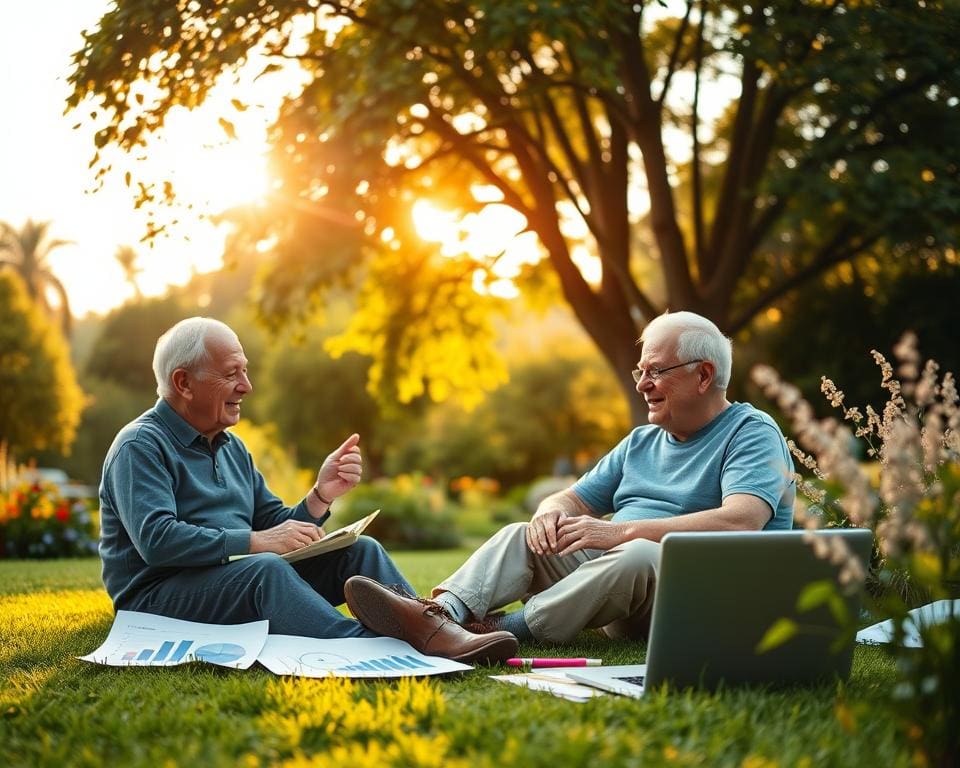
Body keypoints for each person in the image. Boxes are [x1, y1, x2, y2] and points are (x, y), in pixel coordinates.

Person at [344, 311, 796, 646]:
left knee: (639, 552)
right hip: (619, 597)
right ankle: (442, 613)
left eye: (656, 371)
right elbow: (570, 499)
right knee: (521, 534)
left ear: (704, 376)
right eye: (641, 371)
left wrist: (619, 531)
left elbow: (741, 522)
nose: (642, 383)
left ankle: (496, 633)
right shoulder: (641, 442)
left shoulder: (751, 432)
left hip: (697, 604)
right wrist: (549, 514)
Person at [98, 317, 517, 662]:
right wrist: (257, 541)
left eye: (245, 370)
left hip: (226, 582)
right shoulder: (140, 446)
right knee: (265, 570)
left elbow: (277, 528)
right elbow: (157, 541)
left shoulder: (232, 449)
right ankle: (372, 645)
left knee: (359, 552)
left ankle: (433, 627)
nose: (247, 385)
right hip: (156, 600)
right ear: (184, 383)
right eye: (232, 374)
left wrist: (321, 495)